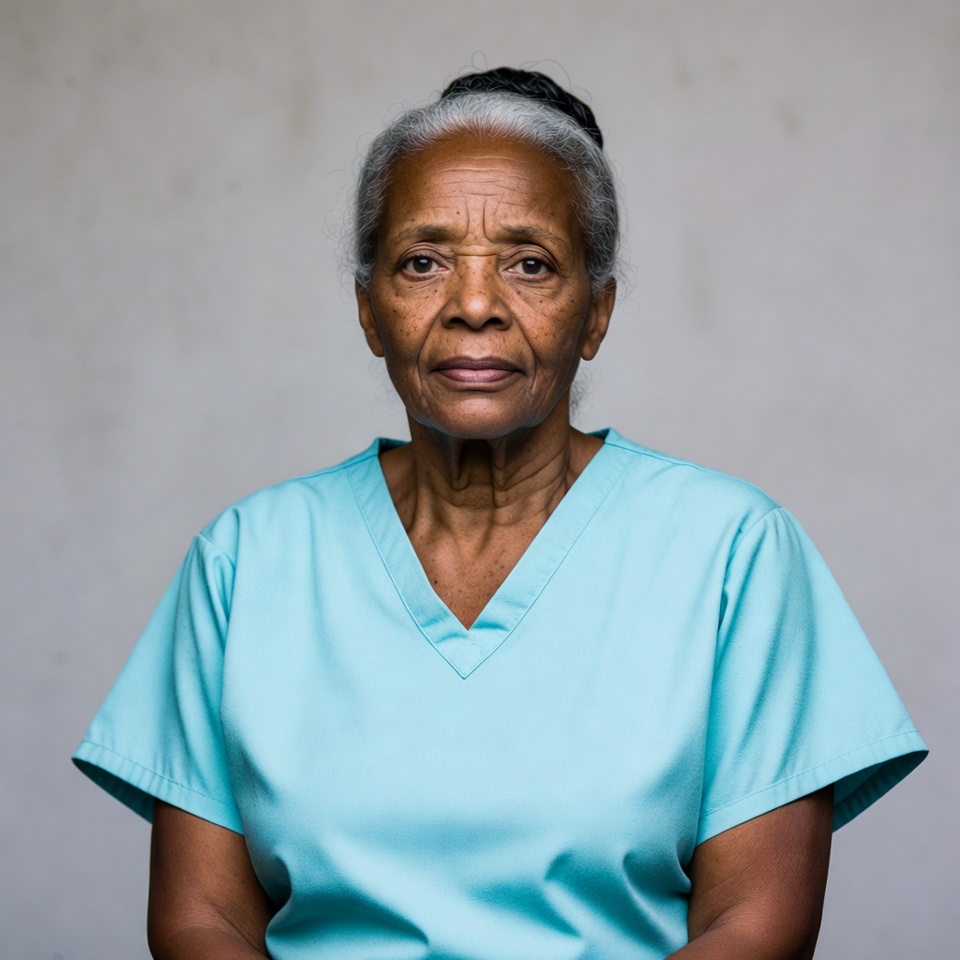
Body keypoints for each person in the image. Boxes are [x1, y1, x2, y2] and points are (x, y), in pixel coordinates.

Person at [74, 67, 926, 960]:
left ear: (595, 312)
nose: (475, 306)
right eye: (423, 261)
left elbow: (755, 926)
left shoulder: (733, 552)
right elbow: (199, 921)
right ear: (369, 308)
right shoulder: (248, 559)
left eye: (529, 264)